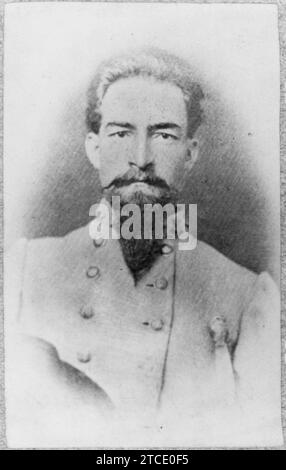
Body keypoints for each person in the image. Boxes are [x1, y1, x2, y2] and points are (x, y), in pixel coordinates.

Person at [5, 48, 282, 447]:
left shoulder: (247, 298)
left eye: (164, 135)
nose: (141, 159)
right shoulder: (22, 273)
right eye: (121, 133)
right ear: (93, 147)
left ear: (190, 154)